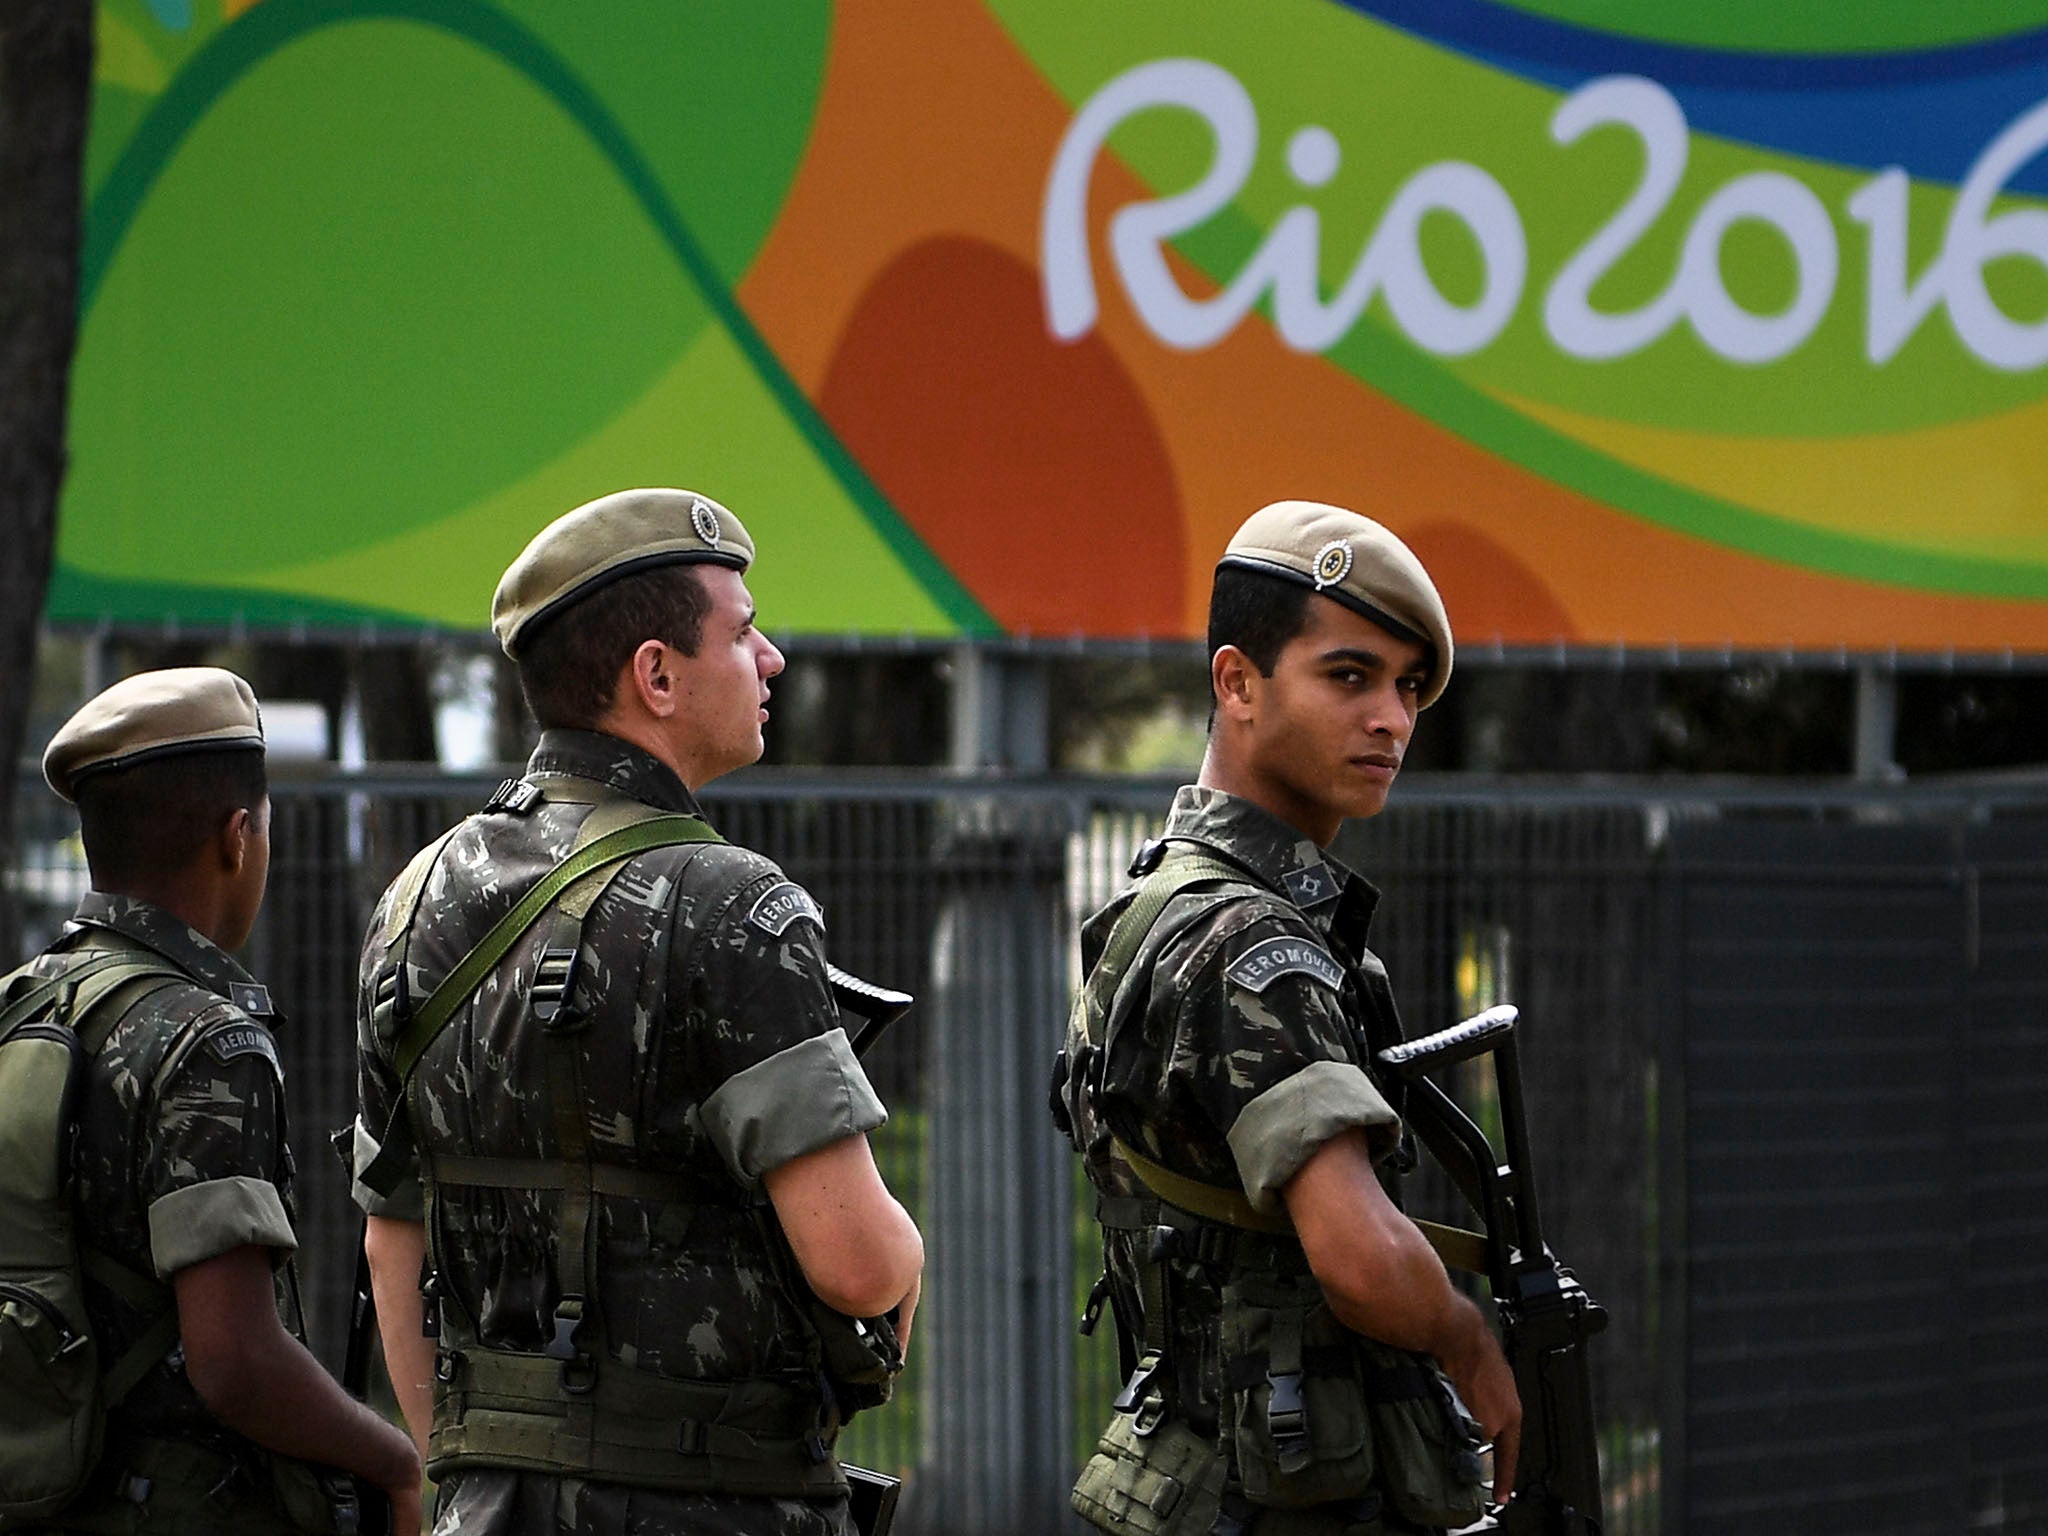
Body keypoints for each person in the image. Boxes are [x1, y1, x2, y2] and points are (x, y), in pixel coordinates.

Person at [349, 488, 924, 1536]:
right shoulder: (734, 902)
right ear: (655, 675)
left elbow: (393, 1239)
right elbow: (854, 1265)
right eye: (743, 634)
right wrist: (907, 1256)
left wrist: (472, 1474)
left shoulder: (413, 898)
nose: (773, 660)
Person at [1054, 501, 1521, 1535]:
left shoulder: (1164, 896)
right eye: (1347, 677)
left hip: (1200, 1471)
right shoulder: (1250, 945)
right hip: (1275, 1494)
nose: (1390, 719)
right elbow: (1355, 1257)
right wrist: (1466, 1340)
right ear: (1237, 682)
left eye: (1406, 687)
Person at [15, 667, 421, 1534]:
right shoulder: (206, 1039)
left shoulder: (19, 1002)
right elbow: (235, 1360)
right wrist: (393, 1460)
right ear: (238, 837)